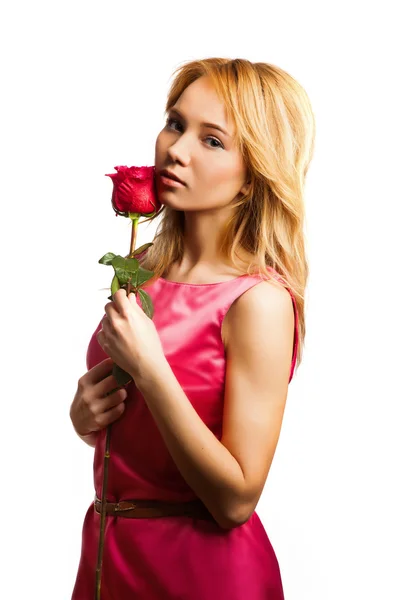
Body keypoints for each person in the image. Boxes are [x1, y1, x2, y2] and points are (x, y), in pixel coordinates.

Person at [70, 57, 315, 599]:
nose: (175, 150)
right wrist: (85, 417)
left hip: (203, 575)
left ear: (255, 175)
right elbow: (133, 432)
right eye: (176, 124)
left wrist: (153, 370)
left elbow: (235, 502)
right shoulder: (143, 266)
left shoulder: (259, 302)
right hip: (109, 560)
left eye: (212, 141)